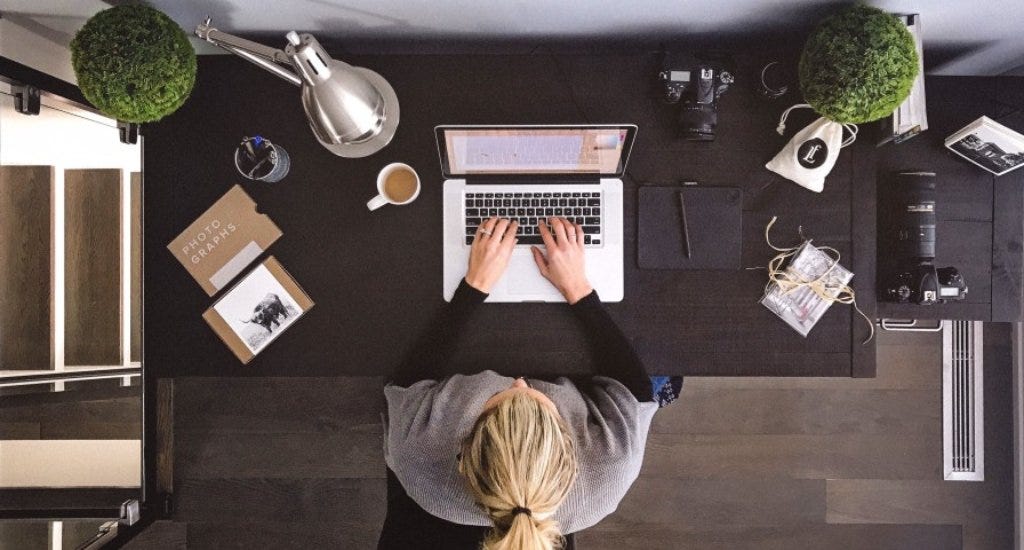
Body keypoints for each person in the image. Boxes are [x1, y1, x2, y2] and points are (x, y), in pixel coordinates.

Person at [378, 217, 676, 550]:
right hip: (585, 382)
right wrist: (578, 289)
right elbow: (633, 387)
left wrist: (473, 286)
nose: (519, 381)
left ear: (462, 449)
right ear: (571, 448)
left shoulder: (417, 453)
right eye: (535, 397)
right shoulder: (609, 468)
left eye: (502, 398)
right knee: (666, 362)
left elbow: (406, 381)